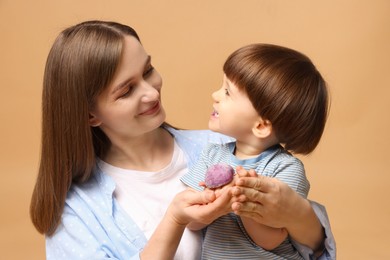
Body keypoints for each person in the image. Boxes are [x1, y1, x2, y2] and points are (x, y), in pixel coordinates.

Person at [29, 20, 335, 260]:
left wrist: (298, 215)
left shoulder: (217, 146)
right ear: (91, 116)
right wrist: (175, 219)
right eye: (126, 90)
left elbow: (313, 250)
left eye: (148, 70)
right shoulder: (76, 212)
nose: (150, 92)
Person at [181, 43, 332, 259]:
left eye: (227, 92)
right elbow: (192, 221)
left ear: (261, 126)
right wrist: (214, 201)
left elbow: (271, 240)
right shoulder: (212, 155)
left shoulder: (285, 168)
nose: (215, 95)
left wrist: (244, 202)